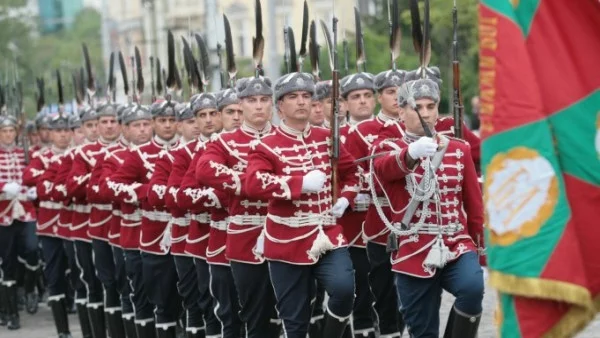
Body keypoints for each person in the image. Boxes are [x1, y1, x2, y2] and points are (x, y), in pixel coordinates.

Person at [245, 72, 360, 338]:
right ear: (279, 107)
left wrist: (346, 198)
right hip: (286, 239)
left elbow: (353, 173)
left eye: (306, 96)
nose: (301, 102)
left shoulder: (327, 137)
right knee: (295, 320)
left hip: (327, 235)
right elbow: (254, 183)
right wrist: (298, 184)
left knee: (344, 290)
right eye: (293, 97)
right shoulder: (265, 146)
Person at [372, 78, 485, 338]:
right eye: (417, 107)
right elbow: (384, 170)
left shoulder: (457, 148)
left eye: (431, 106)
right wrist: (411, 153)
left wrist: (478, 245)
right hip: (413, 248)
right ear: (401, 112)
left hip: (456, 242)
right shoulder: (388, 148)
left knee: (472, 287)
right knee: (423, 331)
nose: (425, 113)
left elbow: (473, 203)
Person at [197, 77, 281, 338]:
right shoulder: (224, 141)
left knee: (287, 313)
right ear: (241, 104)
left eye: (264, 100)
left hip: (286, 234)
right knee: (252, 314)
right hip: (245, 236)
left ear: (273, 105)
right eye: (251, 101)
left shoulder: (284, 137)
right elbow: (205, 169)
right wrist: (251, 184)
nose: (258, 106)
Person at [23, 113, 74, 337]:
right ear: (51, 134)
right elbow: (29, 176)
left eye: (66, 130)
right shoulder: (43, 157)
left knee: (77, 272)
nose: (62, 135)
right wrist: (54, 177)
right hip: (50, 224)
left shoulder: (78, 155)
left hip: (74, 223)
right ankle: (62, 330)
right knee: (54, 275)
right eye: (58, 131)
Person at [0, 115, 38, 330]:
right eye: (4, 131)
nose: (8, 135)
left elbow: (35, 174)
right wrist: (3, 186)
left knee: (33, 250)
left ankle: (31, 287)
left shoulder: (25, 153)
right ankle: (12, 313)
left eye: (11, 130)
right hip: (3, 215)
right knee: (7, 264)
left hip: (25, 211)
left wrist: (34, 189)